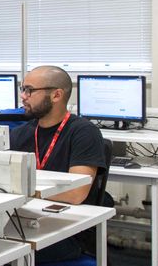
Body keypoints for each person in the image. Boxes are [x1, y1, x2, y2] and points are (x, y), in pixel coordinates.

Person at [9, 65, 106, 263]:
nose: (23, 96)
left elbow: (76, 193)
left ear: (56, 95)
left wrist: (21, 191)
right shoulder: (21, 133)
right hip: (28, 217)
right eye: (22, 89)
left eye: (29, 90)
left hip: (68, 229)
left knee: (0, 250)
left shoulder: (84, 133)